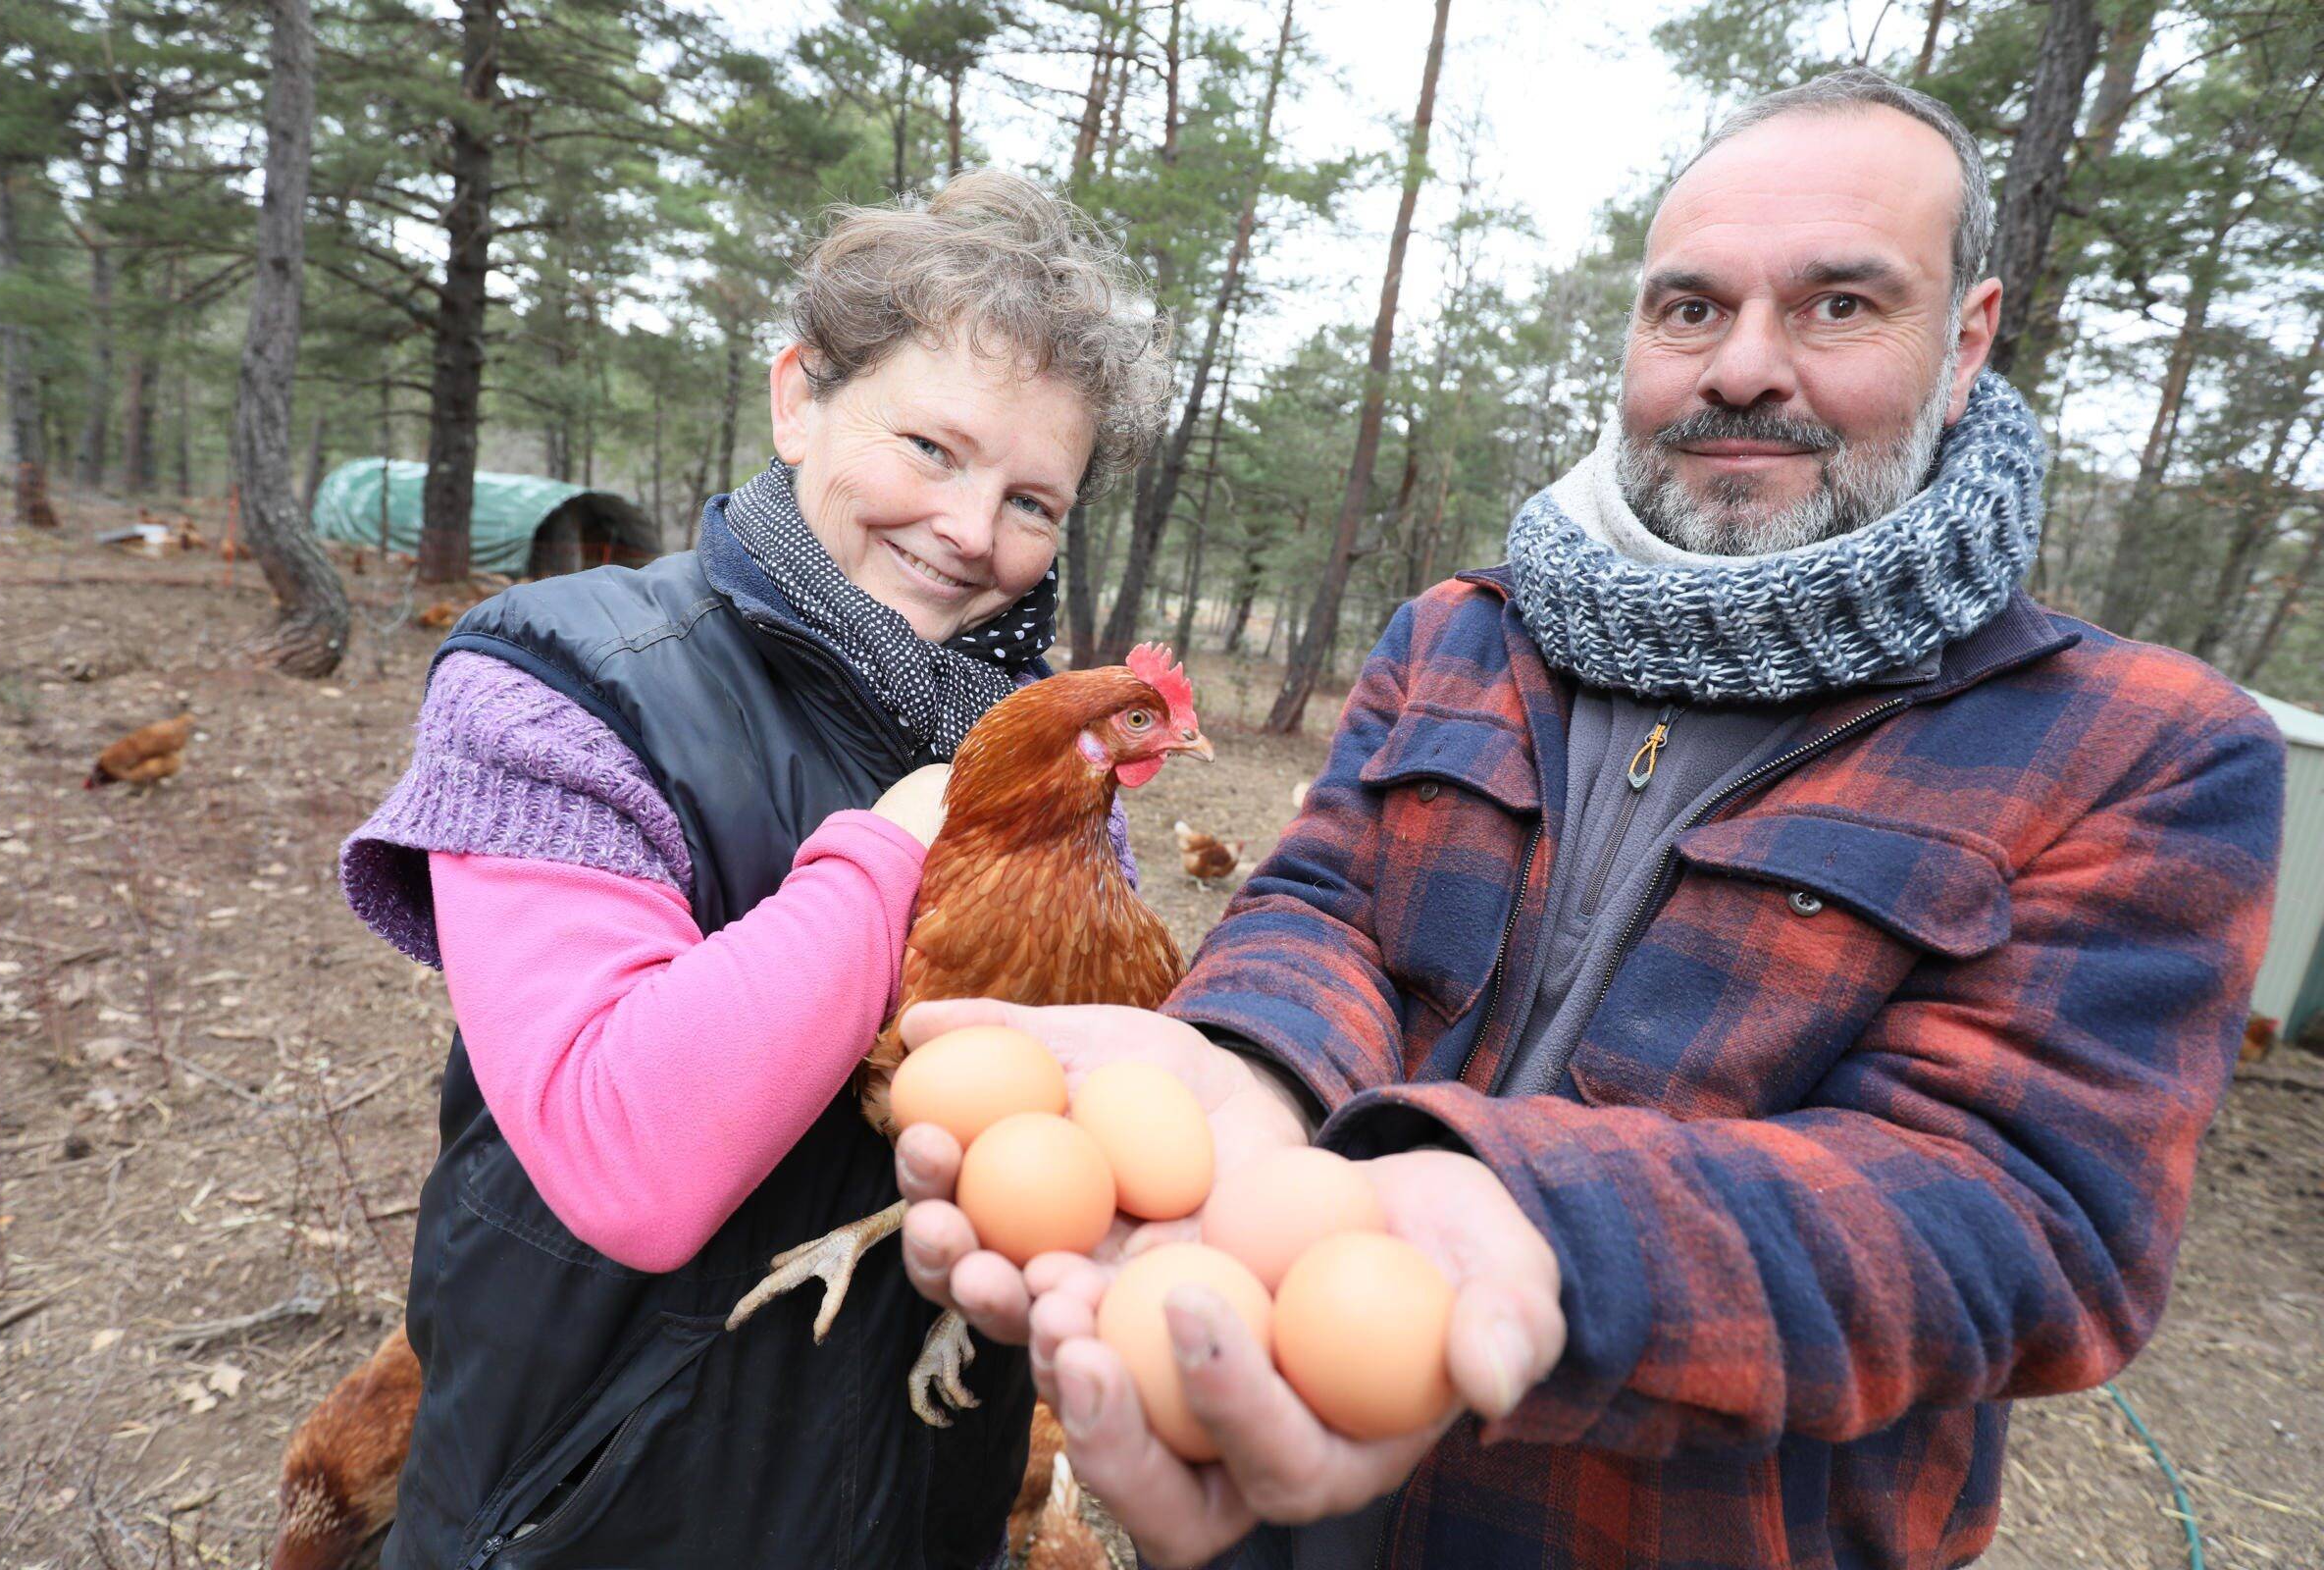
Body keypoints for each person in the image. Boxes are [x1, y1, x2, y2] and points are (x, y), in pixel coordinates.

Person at [897, 68, 2286, 1569]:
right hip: (1282, 1474)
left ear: (1969, 339)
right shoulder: (1460, 635)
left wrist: (1537, 1233)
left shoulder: (2140, 746)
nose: (1742, 367)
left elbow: (2025, 1218)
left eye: (1837, 305)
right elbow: (1325, 908)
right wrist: (1244, 1071)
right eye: (1689, 309)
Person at [338, 171, 1169, 1568]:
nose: (975, 531)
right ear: (798, 398)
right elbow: (630, 1156)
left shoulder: (1038, 770)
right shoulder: (555, 685)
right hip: (598, 1510)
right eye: (931, 448)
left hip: (924, 1499)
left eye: (1034, 500)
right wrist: (899, 838)